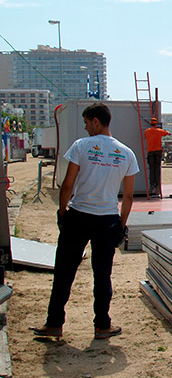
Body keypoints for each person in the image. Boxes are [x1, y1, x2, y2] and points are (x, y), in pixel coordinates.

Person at [33, 103, 139, 340]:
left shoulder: (81, 146)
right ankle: (102, 325)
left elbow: (68, 184)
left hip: (79, 216)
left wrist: (62, 212)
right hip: (108, 219)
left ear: (96, 122)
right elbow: (129, 196)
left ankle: (54, 324)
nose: (85, 127)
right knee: (102, 274)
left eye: (86, 122)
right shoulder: (126, 153)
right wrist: (121, 225)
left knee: (64, 272)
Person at [144, 117, 170, 196]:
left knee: (151, 169)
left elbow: (145, 137)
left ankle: (152, 184)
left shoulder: (147, 131)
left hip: (150, 151)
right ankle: (157, 185)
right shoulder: (159, 131)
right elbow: (168, 133)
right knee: (157, 168)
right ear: (156, 124)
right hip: (158, 151)